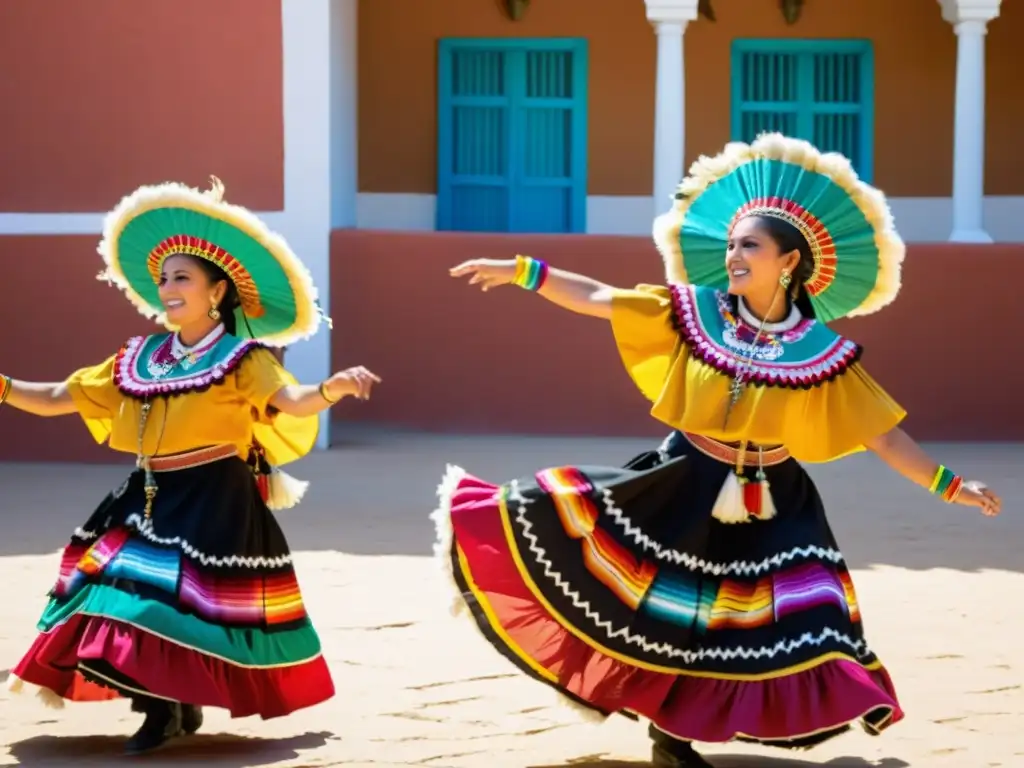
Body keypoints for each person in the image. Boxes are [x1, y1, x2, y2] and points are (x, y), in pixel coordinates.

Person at [433, 133, 1001, 767]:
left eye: (749, 246)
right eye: (730, 244)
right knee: (675, 609)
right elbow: (598, 298)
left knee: (792, 617)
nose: (733, 255)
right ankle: (670, 737)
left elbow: (884, 434)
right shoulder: (697, 311)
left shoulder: (821, 351)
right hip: (687, 481)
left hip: (776, 498)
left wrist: (953, 485)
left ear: (788, 262)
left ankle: (720, 725)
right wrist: (523, 271)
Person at [1, 177, 381, 754]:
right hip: (146, 493)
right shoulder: (140, 357)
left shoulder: (242, 360)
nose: (168, 288)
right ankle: (164, 708)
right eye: (163, 279)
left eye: (182, 278)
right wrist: (3, 387)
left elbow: (293, 401)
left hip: (213, 498)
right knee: (112, 589)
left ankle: (171, 712)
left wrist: (333, 387)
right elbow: (59, 396)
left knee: (171, 604)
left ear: (217, 293)